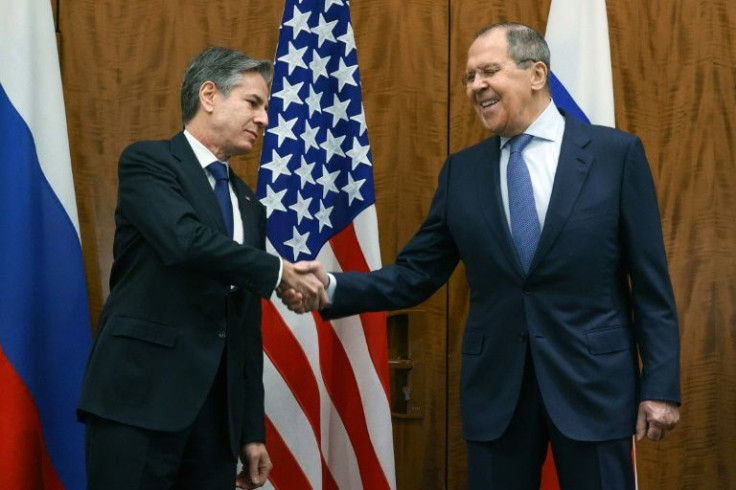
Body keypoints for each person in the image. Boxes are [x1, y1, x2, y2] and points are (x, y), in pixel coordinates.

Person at [282, 23, 681, 489]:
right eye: (470, 77)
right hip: (498, 394)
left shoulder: (615, 156)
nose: (475, 86)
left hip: (593, 386)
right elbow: (416, 273)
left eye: (489, 71)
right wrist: (331, 286)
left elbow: (651, 286)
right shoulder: (463, 172)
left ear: (536, 74)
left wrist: (659, 387)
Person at [77, 46, 326, 490]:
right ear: (209, 95)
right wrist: (278, 270)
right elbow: (184, 241)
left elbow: (246, 325)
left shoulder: (249, 203)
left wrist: (250, 431)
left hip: (214, 424)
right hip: (139, 403)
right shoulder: (149, 162)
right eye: (254, 103)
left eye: (265, 108)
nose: (264, 119)